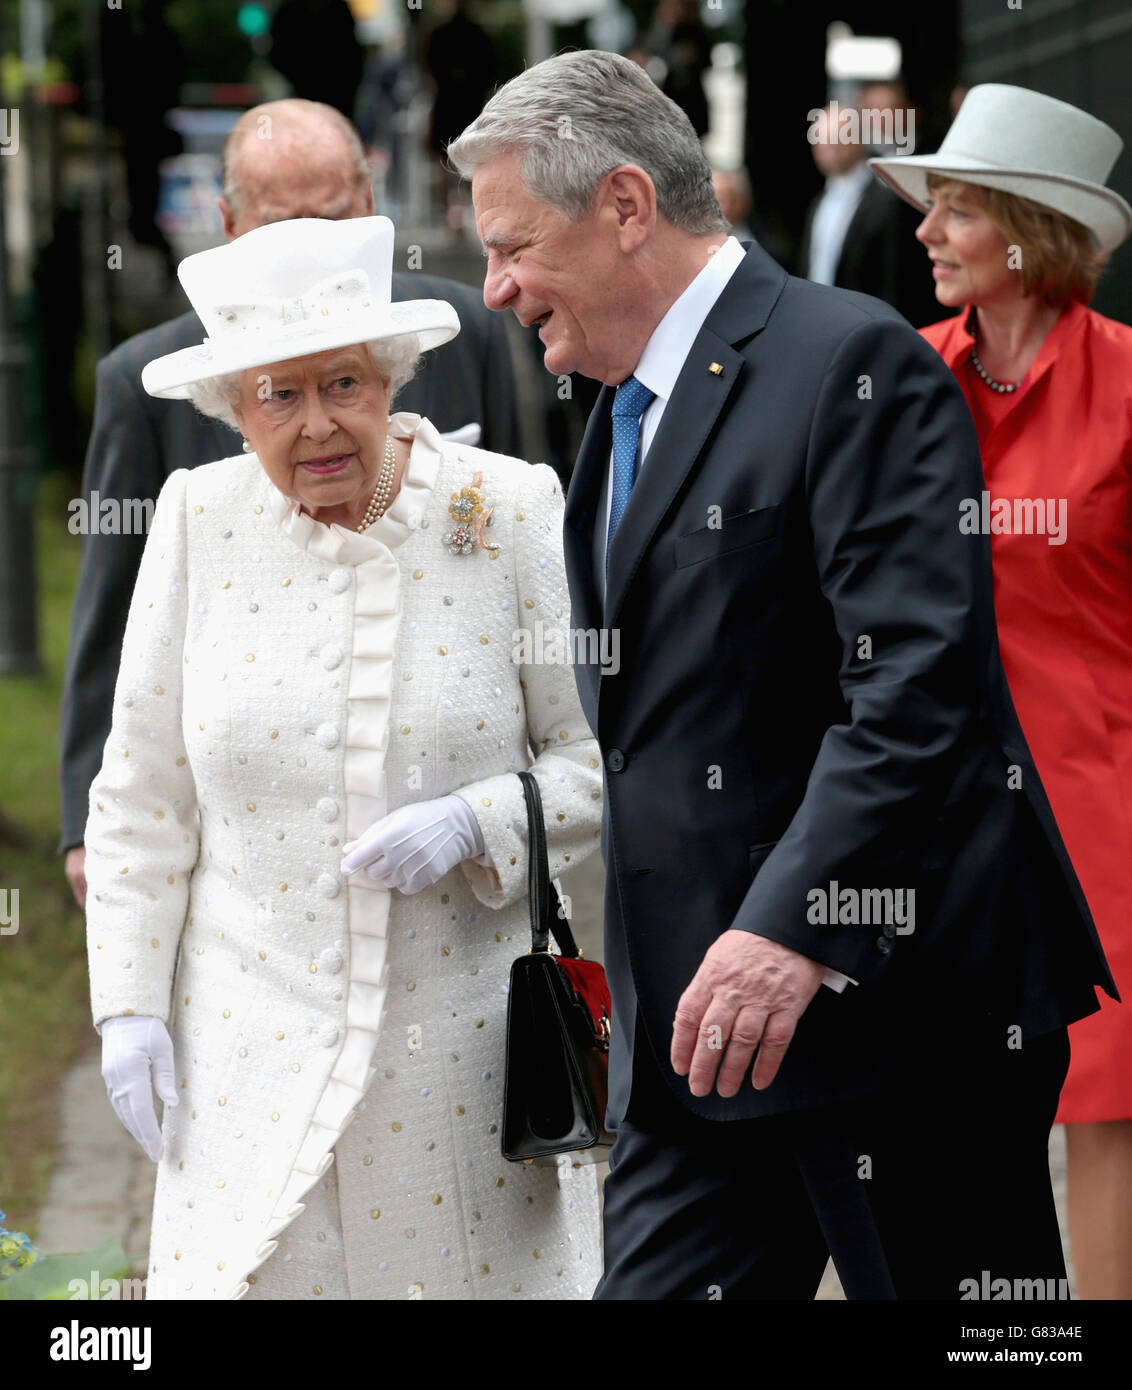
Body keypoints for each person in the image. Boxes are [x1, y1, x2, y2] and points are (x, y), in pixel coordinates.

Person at [448, 49, 1115, 1300]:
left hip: (896, 1030)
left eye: (512, 245)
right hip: (698, 1049)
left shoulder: (851, 361)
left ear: (627, 206)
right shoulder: (613, 423)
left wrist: (791, 931)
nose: (495, 290)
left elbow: (917, 689)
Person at [83, 214, 604, 1301]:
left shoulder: (504, 510)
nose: (316, 424)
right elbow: (140, 797)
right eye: (279, 395)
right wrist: (127, 1004)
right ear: (235, 410)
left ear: (392, 378)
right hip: (245, 1057)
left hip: (459, 1065)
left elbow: (590, 761)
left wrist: (481, 818)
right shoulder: (196, 517)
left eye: (344, 385)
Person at [59, 99, 521, 910]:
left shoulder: (463, 332)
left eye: (333, 216)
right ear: (230, 222)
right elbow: (116, 616)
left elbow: (525, 549)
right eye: (282, 224)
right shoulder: (146, 380)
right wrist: (84, 824)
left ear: (369, 203)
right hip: (250, 819)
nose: (312, 244)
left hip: (448, 818)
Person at [871, 82, 1132, 1299]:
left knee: (1104, 1105)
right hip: (938, 807)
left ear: (1029, 230)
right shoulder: (905, 381)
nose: (924, 231)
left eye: (956, 209)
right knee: (946, 1109)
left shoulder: (1128, 386)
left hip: (1102, 803)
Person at [800, 100, 940, 327]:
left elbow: (895, 280)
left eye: (836, 136)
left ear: (858, 139)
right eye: (819, 137)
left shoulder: (888, 202)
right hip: (817, 326)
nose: (826, 145)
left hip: (865, 330)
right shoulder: (818, 204)